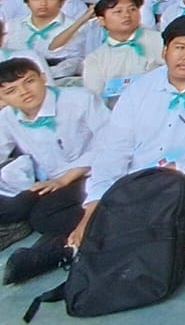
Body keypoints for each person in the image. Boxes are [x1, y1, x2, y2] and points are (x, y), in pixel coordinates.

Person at [68, 15, 185, 251]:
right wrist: (95, 202)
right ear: (165, 51)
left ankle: (103, 242)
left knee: (168, 199)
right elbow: (115, 148)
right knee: (61, 206)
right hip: (140, 176)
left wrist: (171, 169)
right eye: (180, 47)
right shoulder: (140, 89)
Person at [0, 57, 109, 282]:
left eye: (29, 81)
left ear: (43, 78)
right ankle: (36, 236)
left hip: (95, 172)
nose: (24, 92)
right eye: (11, 90)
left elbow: (112, 144)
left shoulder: (80, 99)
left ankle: (62, 244)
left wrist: (64, 180)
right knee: (17, 205)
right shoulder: (8, 117)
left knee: (43, 215)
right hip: (53, 183)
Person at [80, 0, 164, 104]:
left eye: (132, 9)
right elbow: (95, 100)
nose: (127, 15)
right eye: (118, 11)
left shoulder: (161, 41)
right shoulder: (95, 59)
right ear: (102, 20)